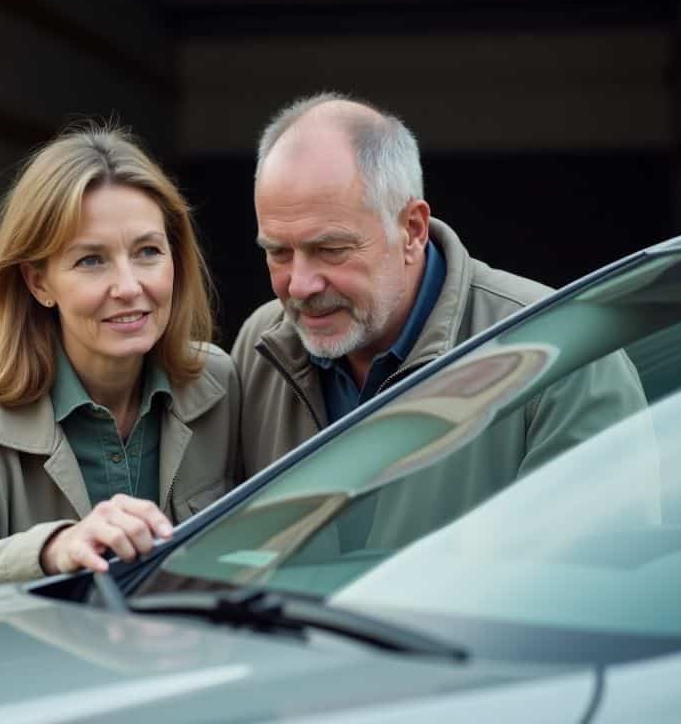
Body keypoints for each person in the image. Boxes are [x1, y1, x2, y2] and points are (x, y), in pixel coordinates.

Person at [233, 93, 646, 495]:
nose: (301, 285)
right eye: (278, 252)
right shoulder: (259, 347)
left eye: (331, 250)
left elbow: (605, 555)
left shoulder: (567, 352)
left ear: (412, 229)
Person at [0, 126, 240, 598]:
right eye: (91, 261)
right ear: (39, 283)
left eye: (147, 252)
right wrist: (55, 548)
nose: (127, 286)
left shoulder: (221, 383)